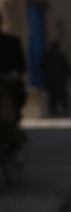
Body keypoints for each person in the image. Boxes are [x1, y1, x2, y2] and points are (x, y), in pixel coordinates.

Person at [0, 11, 27, 152]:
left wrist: (14, 74)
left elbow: (21, 65)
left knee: (7, 118)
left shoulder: (11, 42)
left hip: (7, 87)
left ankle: (15, 145)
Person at [40, 40, 71, 116]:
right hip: (60, 80)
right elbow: (67, 67)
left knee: (53, 96)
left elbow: (42, 66)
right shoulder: (60, 55)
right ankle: (64, 109)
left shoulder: (47, 55)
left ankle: (53, 110)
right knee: (62, 95)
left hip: (51, 79)